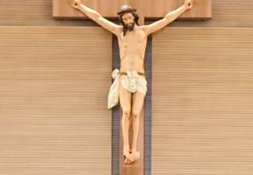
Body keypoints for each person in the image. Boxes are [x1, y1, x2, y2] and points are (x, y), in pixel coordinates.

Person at [72, 0, 193, 165]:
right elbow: (98, 18)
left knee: (136, 113)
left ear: (134, 17)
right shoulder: (118, 32)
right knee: (126, 112)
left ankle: (134, 148)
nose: (128, 21)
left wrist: (184, 7)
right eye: (125, 19)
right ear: (122, 20)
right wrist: (81, 7)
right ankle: (125, 147)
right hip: (124, 76)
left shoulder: (144, 31)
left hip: (139, 76)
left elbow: (166, 19)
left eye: (130, 18)